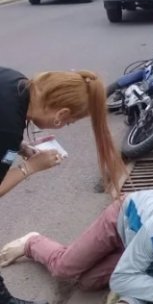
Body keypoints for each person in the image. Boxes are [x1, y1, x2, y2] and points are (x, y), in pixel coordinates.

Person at [0, 67, 126, 304]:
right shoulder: (7, 128)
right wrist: (31, 167)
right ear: (61, 114)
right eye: (70, 122)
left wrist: (22, 147)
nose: (65, 125)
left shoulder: (16, 82)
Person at [0, 190, 153, 304]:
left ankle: (121, 257)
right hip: (122, 221)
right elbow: (121, 281)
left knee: (87, 282)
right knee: (63, 269)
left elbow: (146, 280)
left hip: (138, 243)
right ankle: (31, 242)